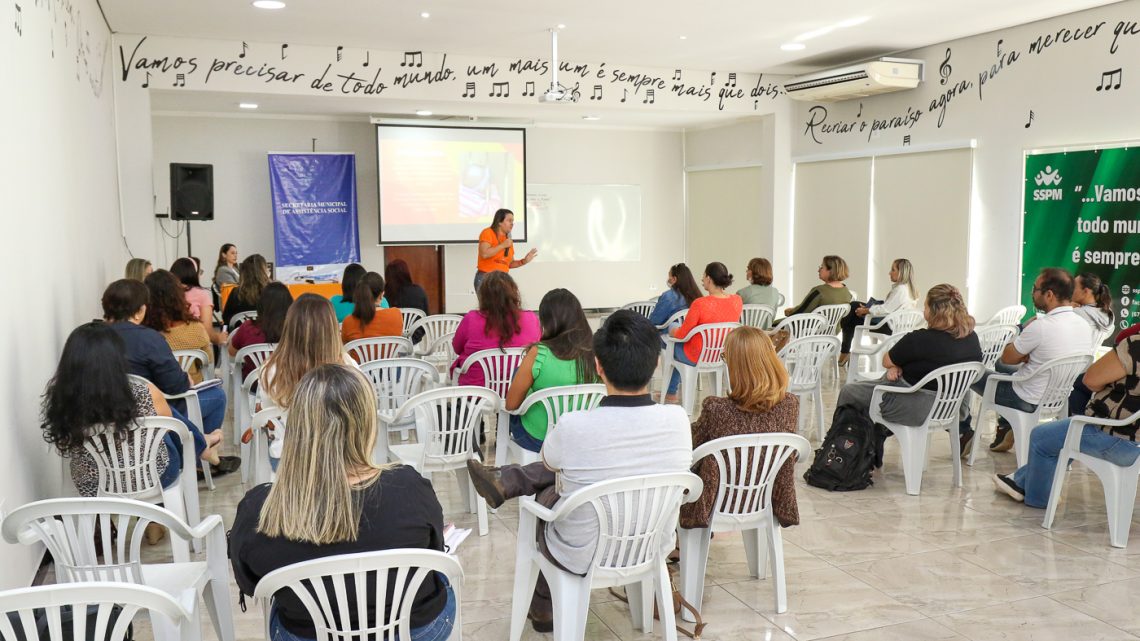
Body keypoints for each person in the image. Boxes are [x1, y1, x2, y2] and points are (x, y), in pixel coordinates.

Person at [465, 310, 692, 632]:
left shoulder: (575, 426)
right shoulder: (679, 421)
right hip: (650, 544)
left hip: (582, 551)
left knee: (552, 491)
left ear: (598, 366)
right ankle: (507, 481)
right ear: (657, 364)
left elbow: (550, 463)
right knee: (577, 477)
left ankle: (542, 603)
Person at [230, 365, 455, 641]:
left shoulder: (260, 509)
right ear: (367, 423)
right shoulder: (409, 487)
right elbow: (434, 553)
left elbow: (252, 583)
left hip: (308, 634)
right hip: (416, 630)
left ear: (297, 426)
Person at [41, 322, 182, 542]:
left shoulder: (63, 398)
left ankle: (99, 522)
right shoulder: (143, 389)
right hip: (151, 477)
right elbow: (169, 425)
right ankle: (155, 519)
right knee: (166, 438)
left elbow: (65, 442)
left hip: (94, 485)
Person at [101, 279, 238, 475]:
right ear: (140, 311)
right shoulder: (148, 338)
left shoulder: (88, 341)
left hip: (102, 449)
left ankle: (201, 445)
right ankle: (198, 452)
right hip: (154, 438)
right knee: (215, 395)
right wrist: (186, 380)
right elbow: (176, 386)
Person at [993, 333, 1140, 508]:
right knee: (1061, 435)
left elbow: (1091, 380)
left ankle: (1039, 500)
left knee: (1041, 437)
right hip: (1130, 439)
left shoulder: (1135, 346)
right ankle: (1019, 480)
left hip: (1119, 436)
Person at [835, 284, 983, 452]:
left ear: (934, 311)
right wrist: (898, 365)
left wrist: (896, 365)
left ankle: (841, 453)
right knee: (878, 393)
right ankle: (874, 438)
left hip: (915, 409)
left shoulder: (920, 339)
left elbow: (886, 360)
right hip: (952, 410)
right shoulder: (972, 339)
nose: (923, 310)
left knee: (850, 392)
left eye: (926, 306)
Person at [681, 326, 800, 530]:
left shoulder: (716, 409)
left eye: (725, 357)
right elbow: (792, 455)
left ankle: (680, 547)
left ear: (735, 365)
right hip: (764, 498)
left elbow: (690, 451)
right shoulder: (789, 405)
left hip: (715, 501)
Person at [973, 268, 1094, 454]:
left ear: (1049, 294)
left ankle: (963, 431)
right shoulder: (1084, 326)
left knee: (972, 371)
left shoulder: (1041, 326)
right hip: (1058, 398)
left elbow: (1007, 356)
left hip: (1024, 398)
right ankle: (1006, 427)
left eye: (1035, 289)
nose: (1032, 293)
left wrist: (1022, 346)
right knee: (1005, 370)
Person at [503, 289, 600, 453]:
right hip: (582, 436)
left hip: (539, 438)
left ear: (546, 321)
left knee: (518, 374)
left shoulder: (538, 353)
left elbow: (511, 405)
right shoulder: (596, 353)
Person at [260, 294, 356, 411]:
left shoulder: (271, 370)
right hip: (337, 429)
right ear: (332, 329)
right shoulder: (348, 366)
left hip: (286, 429)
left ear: (289, 327)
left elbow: (267, 417)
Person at [664, 262, 744, 403]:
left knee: (672, 330)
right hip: (721, 354)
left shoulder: (700, 303)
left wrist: (671, 330)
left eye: (703, 275)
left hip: (696, 355)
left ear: (709, 278)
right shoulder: (737, 301)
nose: (701, 279)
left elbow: (682, 335)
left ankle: (669, 392)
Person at [450, 271, 540, 387]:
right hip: (517, 392)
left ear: (483, 295)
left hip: (477, 396)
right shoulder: (531, 318)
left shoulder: (471, 319)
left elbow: (457, 348)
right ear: (514, 293)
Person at [839, 258, 918, 365]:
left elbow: (885, 309)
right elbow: (890, 307)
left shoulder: (900, 290)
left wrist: (866, 310)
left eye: (893, 270)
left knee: (851, 313)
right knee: (854, 307)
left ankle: (844, 351)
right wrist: (867, 308)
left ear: (901, 272)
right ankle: (845, 350)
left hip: (888, 327)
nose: (889, 273)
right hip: (898, 326)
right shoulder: (910, 290)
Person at [143, 270, 212, 384]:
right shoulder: (196, 329)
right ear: (178, 295)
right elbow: (207, 359)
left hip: (157, 393)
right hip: (192, 392)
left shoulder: (144, 334)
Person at [230, 282, 294, 381]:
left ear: (261, 304)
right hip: (287, 385)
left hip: (253, 386)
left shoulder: (247, 327)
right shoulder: (294, 329)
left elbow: (231, 352)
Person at [474, 208, 537, 293]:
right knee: (488, 306)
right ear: (499, 222)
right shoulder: (488, 232)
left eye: (513, 221)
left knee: (502, 306)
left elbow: (509, 264)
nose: (512, 224)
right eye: (509, 220)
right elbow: (484, 254)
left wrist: (524, 261)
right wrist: (503, 245)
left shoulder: (508, 240)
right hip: (486, 278)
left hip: (503, 280)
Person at [171, 257, 227, 346]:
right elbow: (207, 331)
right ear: (193, 274)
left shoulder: (166, 293)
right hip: (194, 350)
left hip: (168, 349)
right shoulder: (201, 294)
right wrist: (219, 338)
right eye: (199, 272)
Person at [341, 272, 403, 345]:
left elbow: (344, 348)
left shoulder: (348, 322)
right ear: (381, 295)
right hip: (391, 356)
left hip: (357, 357)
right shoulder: (396, 314)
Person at [647, 263, 702, 344]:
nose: (668, 279)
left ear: (674, 279)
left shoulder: (668, 296)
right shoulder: (697, 296)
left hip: (671, 339)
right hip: (692, 339)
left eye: (669, 276)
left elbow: (654, 321)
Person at [783, 254, 854, 317]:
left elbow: (800, 312)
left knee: (773, 326)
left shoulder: (819, 291)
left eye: (822, 267)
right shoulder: (846, 292)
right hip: (832, 331)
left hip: (808, 330)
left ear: (831, 270)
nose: (818, 270)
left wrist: (789, 311)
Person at [385, 259, 429, 343]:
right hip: (414, 339)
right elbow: (425, 319)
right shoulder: (419, 291)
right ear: (406, 273)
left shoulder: (384, 294)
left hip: (391, 341)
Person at [223, 254, 271, 327]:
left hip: (240, 336)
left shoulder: (235, 293)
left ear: (243, 273)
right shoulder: (275, 292)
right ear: (264, 271)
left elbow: (226, 318)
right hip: (269, 337)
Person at [1073, 272, 1113, 337]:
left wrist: (1068, 309)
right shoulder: (1106, 314)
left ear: (1085, 291)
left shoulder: (1076, 313)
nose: (1071, 290)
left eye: (1074, 286)